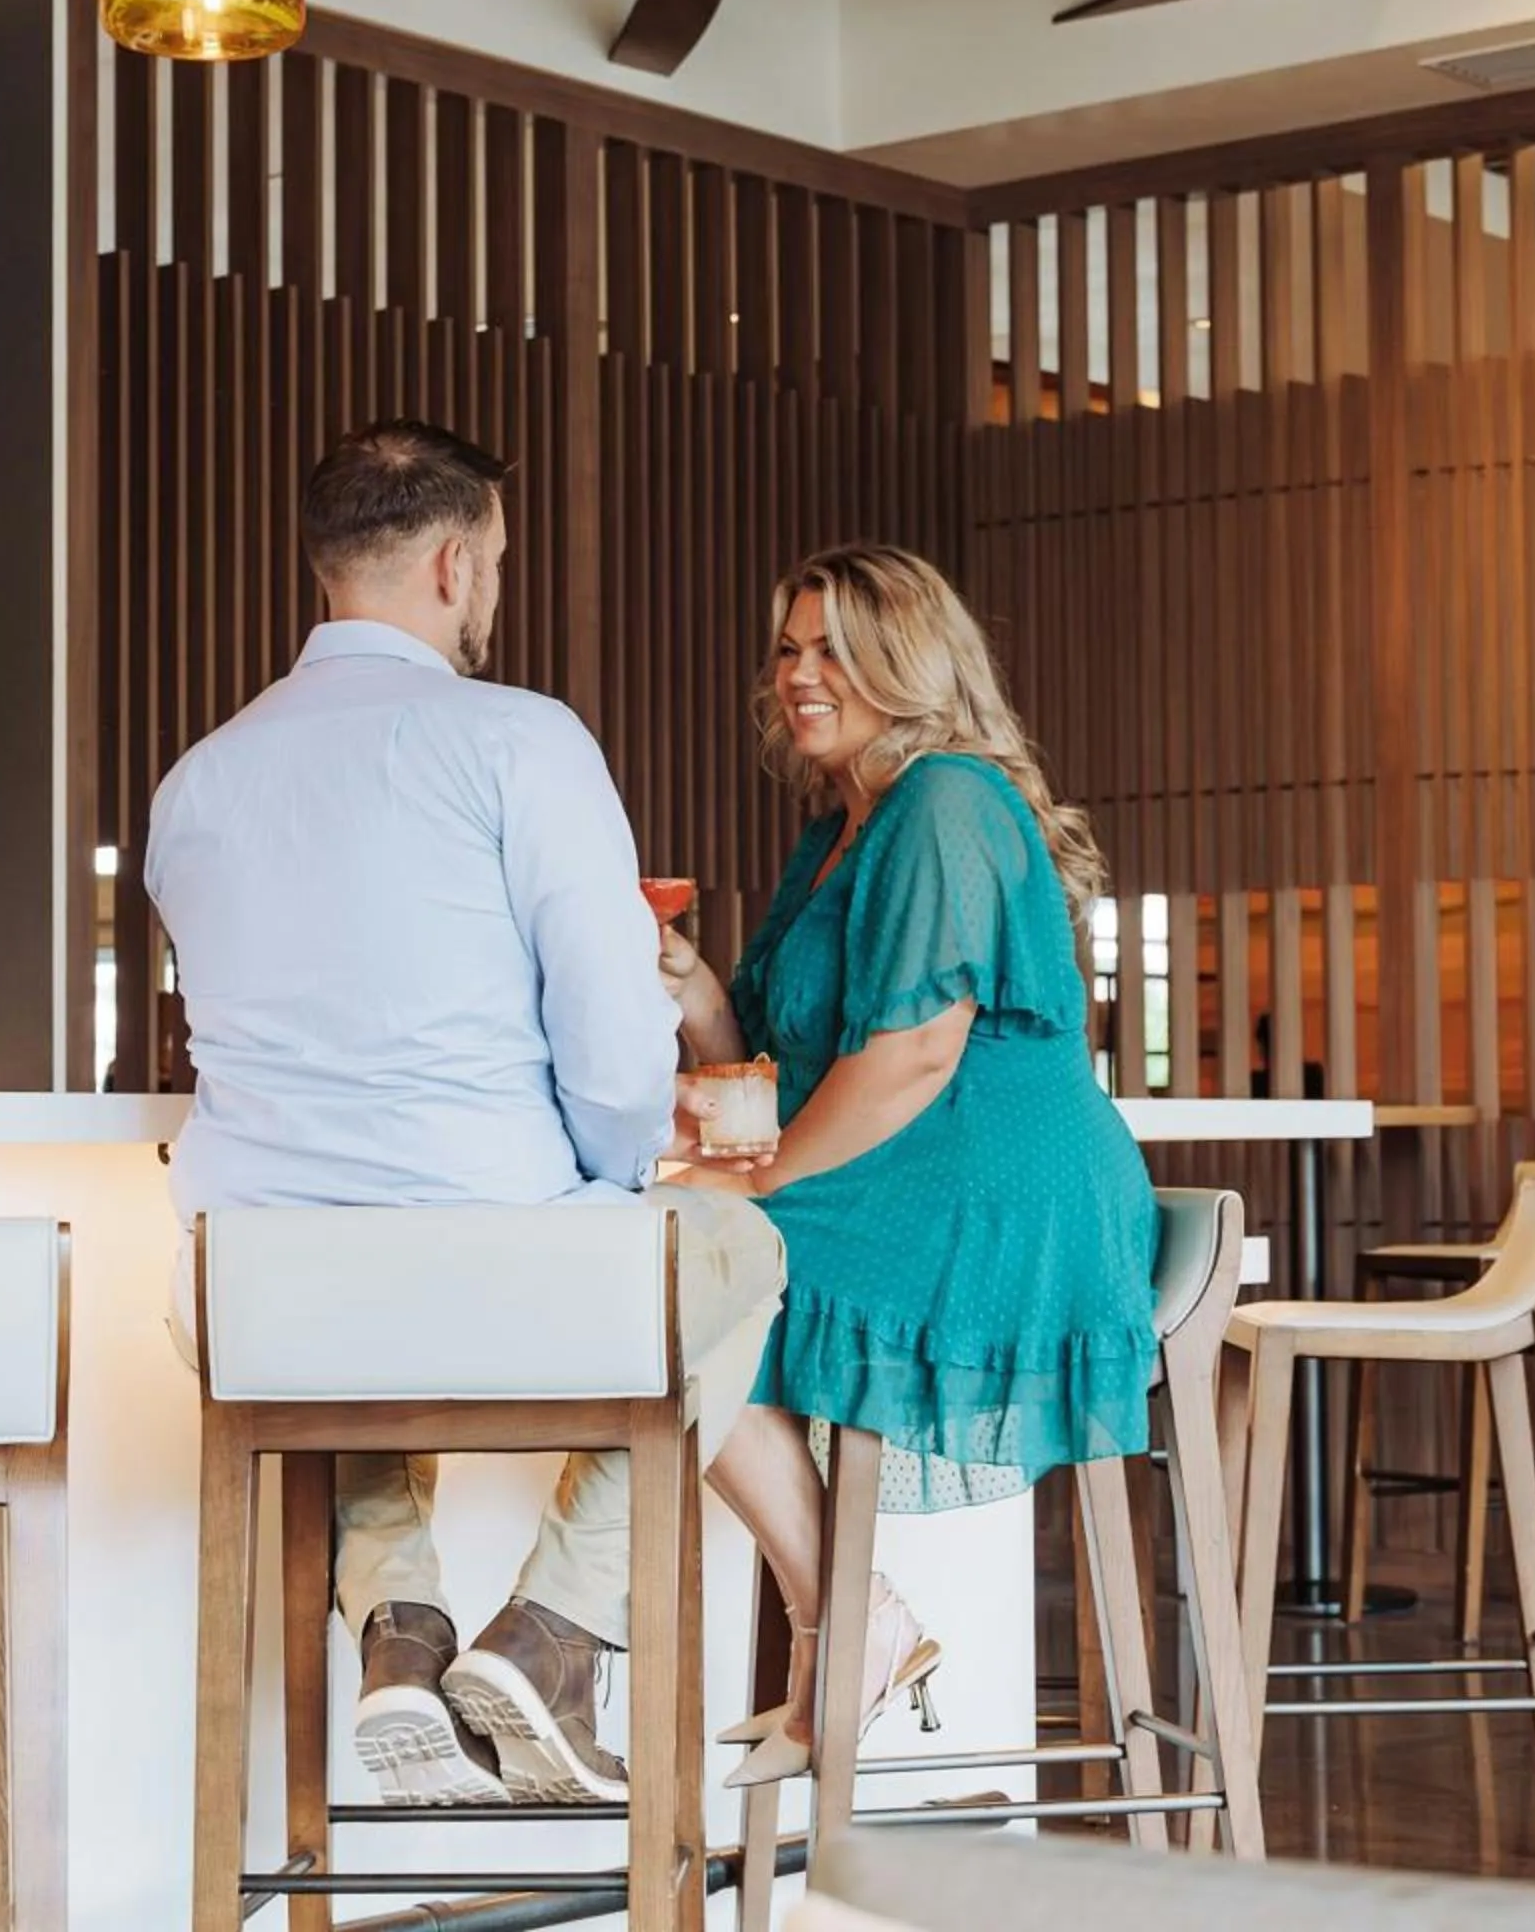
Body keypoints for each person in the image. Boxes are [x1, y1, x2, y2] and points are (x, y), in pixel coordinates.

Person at [146, 420, 787, 1808]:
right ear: (453, 563)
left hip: (253, 1294)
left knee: (345, 1313)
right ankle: (552, 1634)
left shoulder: (192, 784)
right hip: (492, 1274)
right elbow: (616, 1043)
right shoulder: (520, 739)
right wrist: (612, 1182)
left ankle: (404, 1629)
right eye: (492, 562)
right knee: (736, 1256)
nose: (489, 589)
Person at [658, 543, 1158, 1785]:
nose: (800, 673)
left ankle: (842, 1623)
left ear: (911, 662)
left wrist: (756, 1184)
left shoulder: (945, 799)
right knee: (671, 1258)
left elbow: (915, 1058)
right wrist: (697, 994)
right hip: (923, 1174)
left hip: (1003, 1192)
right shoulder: (841, 830)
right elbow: (792, 1060)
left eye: (832, 646)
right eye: (788, 647)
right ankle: (849, 1619)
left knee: (673, 1265)